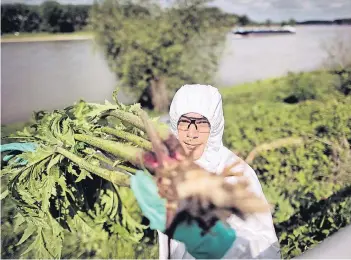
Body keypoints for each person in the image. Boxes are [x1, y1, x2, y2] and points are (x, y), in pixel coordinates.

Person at [131, 84, 280, 259]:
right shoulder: (167, 173)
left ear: (214, 126)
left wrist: (222, 247)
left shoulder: (237, 172)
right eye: (184, 123)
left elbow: (266, 247)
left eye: (201, 124)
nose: (191, 133)